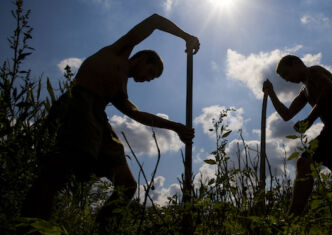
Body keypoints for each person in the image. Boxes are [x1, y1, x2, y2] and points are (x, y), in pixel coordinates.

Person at [22, 14, 200, 223]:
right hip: (78, 107)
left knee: (127, 186)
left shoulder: (120, 89)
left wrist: (176, 127)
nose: (147, 79)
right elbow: (154, 21)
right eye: (150, 72)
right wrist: (186, 36)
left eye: (151, 79)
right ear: (142, 58)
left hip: (97, 120)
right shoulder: (118, 52)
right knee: (56, 173)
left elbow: (136, 114)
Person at [262, 55, 332, 217]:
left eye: (287, 74)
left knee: (305, 163)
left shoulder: (314, 72)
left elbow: (330, 90)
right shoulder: (305, 91)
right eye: (283, 78)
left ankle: (292, 220)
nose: (287, 80)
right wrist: (272, 92)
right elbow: (287, 114)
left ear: (296, 63)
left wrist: (309, 119)